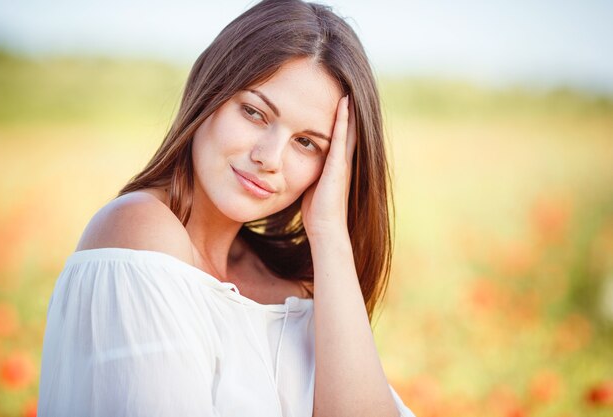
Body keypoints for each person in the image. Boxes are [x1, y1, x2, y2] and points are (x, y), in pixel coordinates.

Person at [37, 0, 416, 416]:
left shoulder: (300, 285)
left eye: (307, 143)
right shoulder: (140, 232)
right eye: (254, 112)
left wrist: (329, 234)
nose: (269, 157)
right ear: (210, 89)